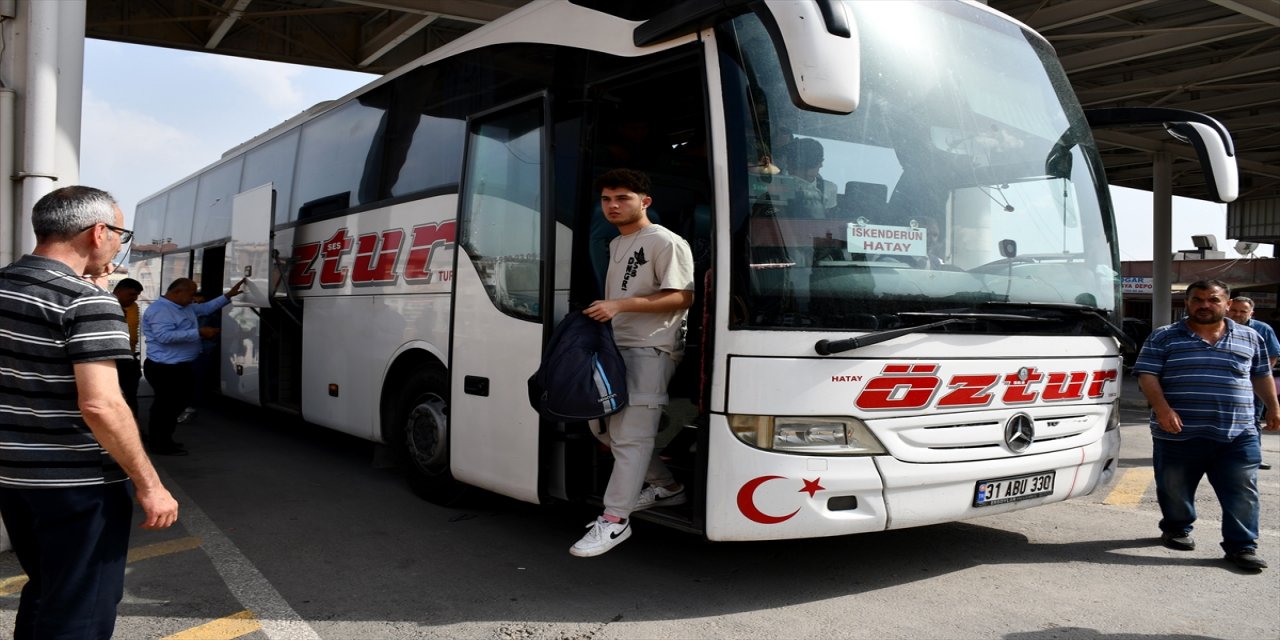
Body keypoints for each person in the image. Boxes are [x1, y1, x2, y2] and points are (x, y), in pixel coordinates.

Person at [0, 185, 179, 639]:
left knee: (45, 589)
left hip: (14, 477)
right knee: (81, 607)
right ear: (98, 232)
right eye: (120, 233)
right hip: (78, 484)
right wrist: (150, 484)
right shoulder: (85, 301)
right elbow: (101, 403)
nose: (120, 244)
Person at [572, 168, 695, 557]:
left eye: (622, 197)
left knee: (632, 435)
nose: (613, 205)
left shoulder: (665, 241)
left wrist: (617, 306)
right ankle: (668, 487)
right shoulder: (617, 243)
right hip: (616, 347)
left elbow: (682, 297)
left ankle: (614, 520)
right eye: (607, 199)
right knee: (603, 428)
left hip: (651, 348)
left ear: (645, 201)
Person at [1133, 279, 1280, 572]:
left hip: (1238, 433)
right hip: (1177, 432)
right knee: (1174, 488)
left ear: (1227, 304)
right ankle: (1177, 527)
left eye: (1213, 300)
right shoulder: (1164, 337)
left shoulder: (1251, 337)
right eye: (1198, 299)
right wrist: (1162, 410)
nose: (1204, 305)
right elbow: (1147, 376)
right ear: (1187, 304)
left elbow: (1261, 374)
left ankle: (1242, 547)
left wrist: (1274, 407)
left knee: (1242, 490)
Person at [142, 277, 245, 455]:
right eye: (191, 293)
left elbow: (205, 308)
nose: (193, 297)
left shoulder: (184, 307)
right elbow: (164, 337)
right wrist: (199, 332)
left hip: (180, 367)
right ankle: (159, 444)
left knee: (177, 404)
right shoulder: (160, 310)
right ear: (177, 292)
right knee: (165, 407)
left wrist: (228, 295)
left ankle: (165, 439)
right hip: (165, 368)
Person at [1228, 295, 1280, 470]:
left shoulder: (1262, 329)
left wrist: (1260, 377)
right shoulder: (1216, 328)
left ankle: (1253, 457)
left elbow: (1272, 355)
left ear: (1252, 313)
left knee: (1253, 421)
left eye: (1243, 311)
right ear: (1228, 308)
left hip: (1253, 386)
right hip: (1224, 386)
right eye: (1234, 310)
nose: (1237, 314)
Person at [112, 278, 145, 414]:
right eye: (131, 294)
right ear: (119, 292)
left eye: (137, 295)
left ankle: (134, 426)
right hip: (111, 360)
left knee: (130, 395)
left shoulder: (134, 307)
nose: (135, 298)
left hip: (129, 359)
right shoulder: (105, 306)